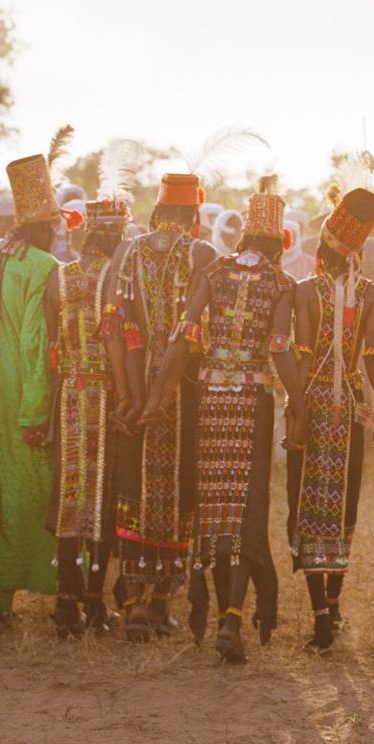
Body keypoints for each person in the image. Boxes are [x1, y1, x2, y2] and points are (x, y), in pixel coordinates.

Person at [153, 176, 307, 663]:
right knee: (246, 509)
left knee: (213, 507)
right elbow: (280, 348)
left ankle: (218, 609)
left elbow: (183, 333)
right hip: (252, 403)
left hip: (211, 401)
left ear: (243, 235)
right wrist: (299, 404)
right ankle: (232, 618)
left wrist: (158, 393)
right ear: (278, 241)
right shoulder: (281, 284)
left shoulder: (215, 273)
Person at [0, 149, 68, 634]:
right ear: (45, 224)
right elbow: (35, 342)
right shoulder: (45, 267)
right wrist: (36, 411)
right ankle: (49, 585)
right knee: (34, 492)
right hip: (23, 397)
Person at [289, 183, 374, 653]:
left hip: (314, 408)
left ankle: (320, 617)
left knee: (310, 510)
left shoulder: (304, 293)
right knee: (342, 511)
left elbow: (302, 352)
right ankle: (332, 605)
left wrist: (296, 404)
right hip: (349, 409)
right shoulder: (370, 296)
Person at [115, 172, 216, 640]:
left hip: (139, 380)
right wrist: (162, 395)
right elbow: (190, 331)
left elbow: (125, 332)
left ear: (159, 209)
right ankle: (160, 602)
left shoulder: (130, 252)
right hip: (185, 386)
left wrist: (137, 397)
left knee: (136, 486)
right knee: (179, 488)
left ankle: (134, 602)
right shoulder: (201, 254)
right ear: (194, 214)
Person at [47, 172, 131, 639]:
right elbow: (121, 340)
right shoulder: (117, 280)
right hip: (106, 396)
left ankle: (65, 600)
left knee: (70, 498)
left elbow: (52, 346)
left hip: (70, 394)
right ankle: (93, 600)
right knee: (102, 502)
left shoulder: (60, 278)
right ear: (116, 235)